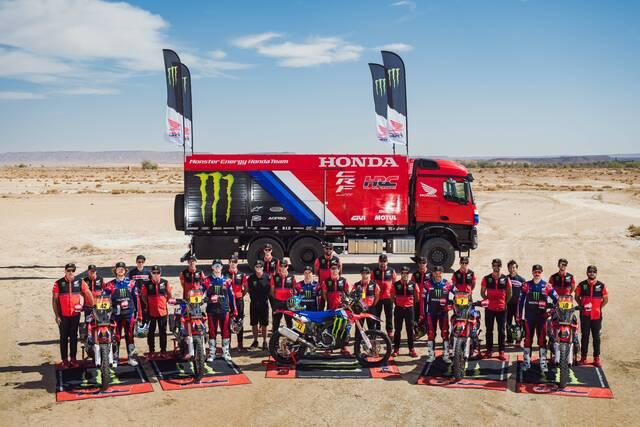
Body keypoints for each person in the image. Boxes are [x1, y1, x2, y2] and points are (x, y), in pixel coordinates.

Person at [52, 263, 94, 368]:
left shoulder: (80, 282)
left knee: (74, 337)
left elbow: (88, 292)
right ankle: (65, 360)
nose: (70, 272)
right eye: (68, 271)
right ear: (65, 271)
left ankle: (73, 359)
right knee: (63, 338)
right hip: (63, 316)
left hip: (75, 315)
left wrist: (93, 306)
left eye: (72, 271)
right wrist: (57, 315)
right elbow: (54, 300)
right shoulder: (58, 283)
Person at [517, 264, 558, 372]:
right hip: (529, 317)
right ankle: (526, 362)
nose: (537, 274)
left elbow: (557, 300)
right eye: (535, 272)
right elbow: (520, 302)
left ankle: (543, 362)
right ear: (532, 272)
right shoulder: (526, 285)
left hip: (542, 318)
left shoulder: (547, 286)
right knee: (527, 340)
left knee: (542, 340)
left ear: (541, 272)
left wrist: (551, 312)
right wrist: (519, 316)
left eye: (539, 272)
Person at [105, 262, 142, 367]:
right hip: (116, 315)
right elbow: (104, 299)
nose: (120, 270)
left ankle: (131, 358)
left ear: (125, 270)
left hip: (129, 314)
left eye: (122, 268)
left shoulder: (132, 283)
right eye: (118, 268)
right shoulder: (110, 284)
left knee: (130, 335)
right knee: (116, 337)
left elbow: (136, 299)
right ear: (115, 270)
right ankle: (115, 359)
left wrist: (139, 314)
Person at [575, 265, 608, 367]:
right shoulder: (581, 285)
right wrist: (581, 305)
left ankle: (596, 359)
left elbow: (605, 299)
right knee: (585, 336)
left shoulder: (601, 285)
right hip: (585, 315)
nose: (592, 273)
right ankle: (583, 358)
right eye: (590, 271)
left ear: (596, 273)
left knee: (596, 337)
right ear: (587, 273)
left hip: (596, 316)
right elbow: (576, 296)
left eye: (594, 272)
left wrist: (598, 308)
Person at [205, 259, 237, 362]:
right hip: (211, 310)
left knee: (226, 331)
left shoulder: (227, 281)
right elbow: (200, 292)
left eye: (219, 265)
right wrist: (203, 299)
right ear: (212, 267)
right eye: (215, 265)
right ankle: (212, 353)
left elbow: (231, 296)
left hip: (224, 310)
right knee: (212, 331)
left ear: (222, 267)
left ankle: (225, 352)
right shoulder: (207, 280)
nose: (217, 267)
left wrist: (234, 310)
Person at [480, 259, 512, 360]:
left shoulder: (506, 279)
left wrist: (504, 302)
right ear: (492, 266)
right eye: (494, 265)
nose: (496, 267)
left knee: (501, 331)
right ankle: (489, 351)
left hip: (502, 309)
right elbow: (482, 292)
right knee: (489, 330)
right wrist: (487, 300)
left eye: (498, 265)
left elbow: (510, 293)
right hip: (489, 308)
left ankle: (501, 351)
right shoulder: (486, 278)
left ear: (501, 266)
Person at [421, 266, 453, 362]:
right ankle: (431, 354)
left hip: (443, 312)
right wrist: (422, 313)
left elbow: (457, 293)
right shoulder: (427, 284)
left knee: (445, 333)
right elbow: (422, 300)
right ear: (433, 273)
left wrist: (465, 296)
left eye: (440, 273)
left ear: (442, 273)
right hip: (431, 312)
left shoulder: (448, 284)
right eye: (436, 273)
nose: (438, 274)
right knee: (431, 333)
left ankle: (446, 355)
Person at [141, 265, 172, 357]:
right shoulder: (147, 284)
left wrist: (163, 303)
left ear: (160, 273)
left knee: (163, 332)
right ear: (151, 273)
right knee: (151, 332)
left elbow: (169, 295)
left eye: (157, 272)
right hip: (151, 312)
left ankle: (163, 351)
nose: (156, 274)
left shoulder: (165, 282)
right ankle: (151, 351)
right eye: (154, 273)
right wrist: (148, 304)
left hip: (163, 312)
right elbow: (143, 297)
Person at [391, 266, 420, 357]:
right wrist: (397, 303)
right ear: (401, 274)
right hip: (399, 309)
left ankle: (411, 349)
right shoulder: (396, 284)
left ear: (408, 274)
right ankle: (396, 349)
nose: (404, 274)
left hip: (409, 310)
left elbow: (417, 297)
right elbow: (392, 296)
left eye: (406, 273)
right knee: (397, 330)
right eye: (403, 273)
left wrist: (410, 304)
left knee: (410, 330)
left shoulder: (413, 284)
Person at [270, 258, 299, 332]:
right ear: (279, 267)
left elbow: (295, 291)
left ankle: (290, 338)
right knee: (276, 322)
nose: (283, 268)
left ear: (287, 267)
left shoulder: (292, 277)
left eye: (285, 266)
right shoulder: (274, 277)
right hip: (278, 302)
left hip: (288, 303)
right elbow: (272, 291)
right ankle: (275, 338)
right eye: (281, 266)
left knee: (289, 321)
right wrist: (277, 298)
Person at [226, 255, 248, 351]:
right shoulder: (224, 274)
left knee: (239, 321)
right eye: (231, 261)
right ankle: (228, 345)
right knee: (228, 322)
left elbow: (246, 287)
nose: (232, 263)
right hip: (228, 301)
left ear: (237, 263)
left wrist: (241, 295)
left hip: (238, 300)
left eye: (234, 262)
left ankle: (240, 344)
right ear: (228, 262)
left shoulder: (242, 275)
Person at [247, 261, 271, 350]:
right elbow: (248, 289)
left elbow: (271, 290)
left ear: (262, 268)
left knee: (264, 324)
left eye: (260, 266)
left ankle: (265, 341)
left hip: (264, 303)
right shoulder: (251, 278)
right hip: (254, 303)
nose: (258, 268)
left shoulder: (268, 277)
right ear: (254, 268)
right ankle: (255, 341)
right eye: (256, 266)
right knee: (254, 323)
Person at [373, 254, 396, 336]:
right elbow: (372, 284)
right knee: (376, 315)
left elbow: (394, 283)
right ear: (378, 262)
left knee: (389, 315)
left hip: (388, 297)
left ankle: (390, 331)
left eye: (384, 261)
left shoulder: (391, 271)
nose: (383, 263)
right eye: (381, 261)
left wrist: (393, 296)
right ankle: (377, 331)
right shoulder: (374, 271)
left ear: (387, 262)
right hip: (378, 298)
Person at [314, 242, 341, 309]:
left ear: (333, 249)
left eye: (330, 249)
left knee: (333, 305)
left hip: (332, 287)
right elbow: (316, 272)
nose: (328, 250)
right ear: (324, 249)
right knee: (321, 305)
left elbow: (339, 273)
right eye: (327, 248)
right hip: (322, 285)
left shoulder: (337, 260)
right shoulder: (319, 260)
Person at [506, 260, 526, 345]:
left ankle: (518, 339)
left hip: (517, 305)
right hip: (507, 304)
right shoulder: (505, 278)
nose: (512, 269)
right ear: (508, 269)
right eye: (510, 268)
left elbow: (525, 293)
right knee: (508, 323)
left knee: (518, 323)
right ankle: (510, 339)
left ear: (517, 268)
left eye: (514, 267)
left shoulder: (522, 280)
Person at [129, 255, 151, 323]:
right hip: (135, 295)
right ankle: (135, 325)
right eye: (139, 262)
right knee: (135, 310)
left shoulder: (148, 272)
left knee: (145, 310)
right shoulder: (132, 272)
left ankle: (145, 325)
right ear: (136, 262)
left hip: (145, 295)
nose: (140, 263)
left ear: (144, 262)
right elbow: (129, 283)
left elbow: (150, 283)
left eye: (142, 262)